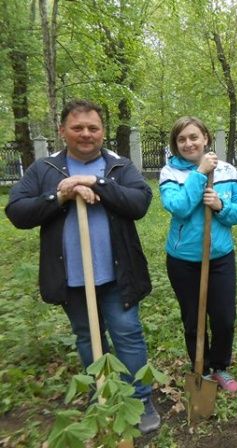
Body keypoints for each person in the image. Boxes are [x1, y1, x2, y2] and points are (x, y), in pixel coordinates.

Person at [5, 99, 160, 433]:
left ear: (103, 131)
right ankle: (101, 394)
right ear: (62, 131)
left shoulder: (118, 166)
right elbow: (17, 211)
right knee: (89, 339)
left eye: (93, 128)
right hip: (72, 277)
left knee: (128, 336)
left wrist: (96, 184)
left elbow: (140, 202)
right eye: (78, 128)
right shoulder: (45, 170)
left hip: (118, 275)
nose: (86, 134)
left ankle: (141, 400)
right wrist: (61, 196)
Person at [160, 116, 237, 392]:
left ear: (206, 138)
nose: (189, 143)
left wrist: (221, 205)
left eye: (193, 137)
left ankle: (220, 367)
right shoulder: (170, 173)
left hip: (220, 257)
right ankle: (200, 368)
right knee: (193, 318)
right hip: (183, 260)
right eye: (182, 139)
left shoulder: (227, 171)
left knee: (223, 317)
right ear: (175, 145)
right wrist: (199, 174)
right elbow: (179, 207)